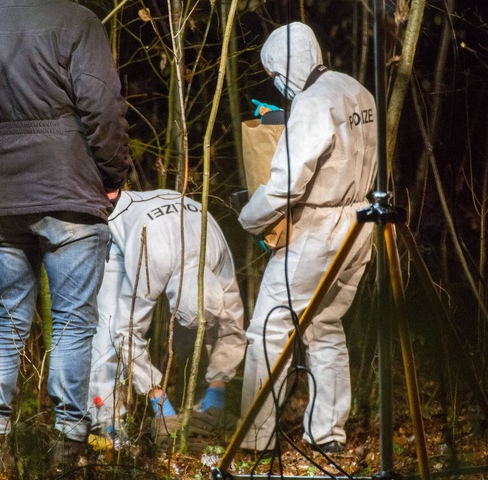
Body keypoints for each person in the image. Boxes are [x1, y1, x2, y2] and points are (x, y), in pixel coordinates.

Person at [0, 0, 130, 474]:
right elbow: (103, 108)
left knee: (6, 319)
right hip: (70, 192)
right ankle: (68, 448)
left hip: (5, 200)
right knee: (73, 322)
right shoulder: (78, 21)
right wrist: (112, 174)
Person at [237, 22, 378, 454]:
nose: (277, 85)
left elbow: (286, 184)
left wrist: (248, 216)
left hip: (318, 229)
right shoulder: (357, 90)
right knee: (324, 325)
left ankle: (255, 440)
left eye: (275, 74)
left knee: (268, 327)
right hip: (361, 223)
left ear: (284, 66)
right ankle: (328, 434)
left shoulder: (312, 103)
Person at [88, 189, 246, 443]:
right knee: (109, 329)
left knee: (197, 336)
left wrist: (219, 383)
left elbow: (233, 326)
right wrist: (157, 398)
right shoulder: (152, 264)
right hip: (125, 229)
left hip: (178, 218)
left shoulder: (217, 257)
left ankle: (202, 409)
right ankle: (108, 424)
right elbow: (126, 332)